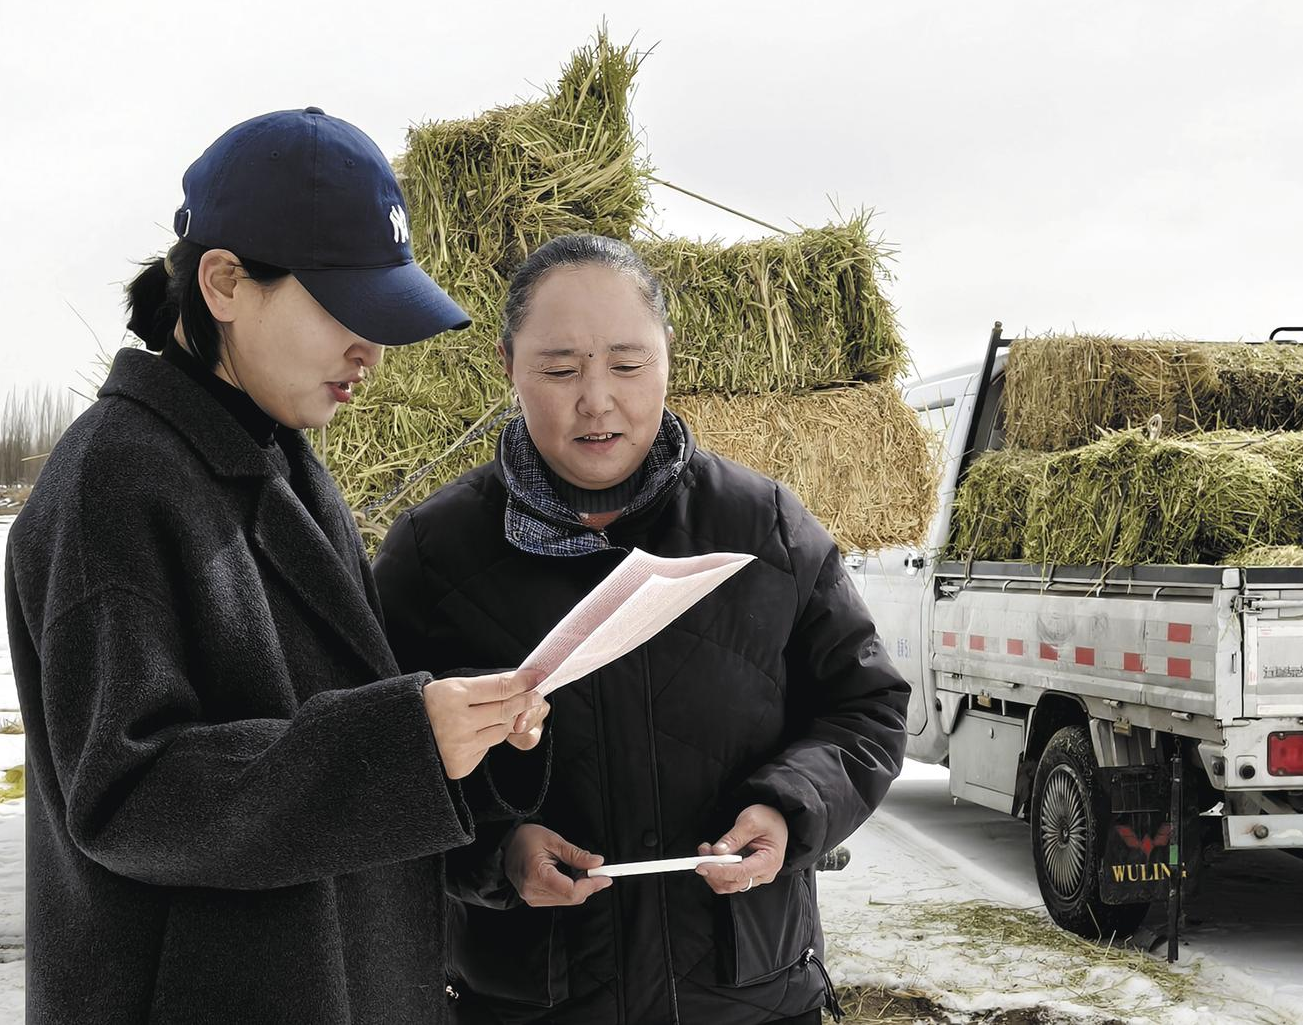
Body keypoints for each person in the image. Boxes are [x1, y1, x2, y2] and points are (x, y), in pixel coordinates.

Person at [5, 108, 550, 1025]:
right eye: (345, 310)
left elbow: (316, 713)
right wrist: (403, 743)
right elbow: (131, 796)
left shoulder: (276, 456)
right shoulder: (114, 481)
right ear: (223, 282)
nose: (369, 353)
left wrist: (466, 774)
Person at [373, 234, 909, 1025]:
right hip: (527, 999)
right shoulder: (431, 553)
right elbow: (379, 768)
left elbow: (864, 709)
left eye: (627, 365)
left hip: (749, 995)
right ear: (506, 365)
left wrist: (788, 812)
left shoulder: (762, 525)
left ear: (667, 356)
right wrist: (493, 854)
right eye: (559, 369)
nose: (597, 400)